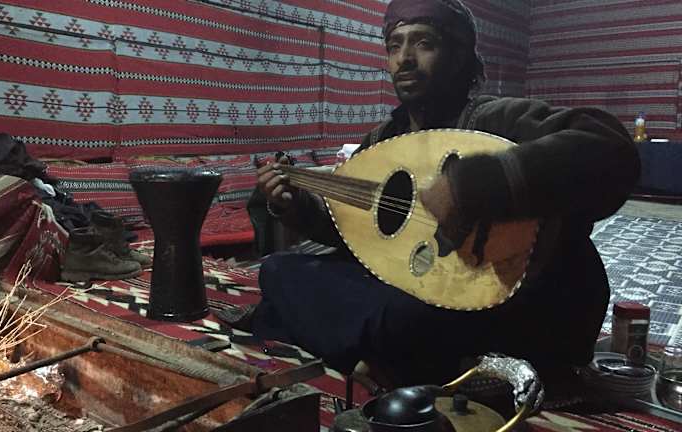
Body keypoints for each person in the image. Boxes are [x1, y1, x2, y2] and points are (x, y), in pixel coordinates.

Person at [223, 0, 640, 388]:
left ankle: (372, 350)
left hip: (524, 304)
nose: (404, 58)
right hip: (427, 297)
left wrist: (469, 185)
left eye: (424, 43)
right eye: (395, 45)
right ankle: (399, 358)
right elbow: (362, 235)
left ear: (459, 56)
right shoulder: (385, 138)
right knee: (279, 268)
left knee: (394, 316)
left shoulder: (493, 118)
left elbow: (611, 151)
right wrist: (295, 207)